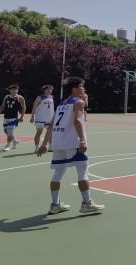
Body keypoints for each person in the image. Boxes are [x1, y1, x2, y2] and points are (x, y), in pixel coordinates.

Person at [36, 77, 104, 214]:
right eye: (81, 86)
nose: (83, 88)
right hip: (73, 142)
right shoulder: (78, 103)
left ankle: (55, 205)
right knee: (82, 170)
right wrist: (83, 140)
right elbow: (77, 121)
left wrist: (44, 144)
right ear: (74, 89)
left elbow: (51, 125)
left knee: (58, 173)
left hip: (58, 142)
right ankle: (86, 203)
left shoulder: (61, 104)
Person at [0, 85, 26, 151]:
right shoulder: (6, 97)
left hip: (14, 117)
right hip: (6, 116)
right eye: (12, 89)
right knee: (5, 131)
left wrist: (22, 117)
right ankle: (15, 141)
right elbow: (2, 106)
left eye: (16, 89)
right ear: (10, 90)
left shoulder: (19, 97)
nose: (14, 90)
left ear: (17, 90)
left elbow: (23, 107)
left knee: (10, 132)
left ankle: (8, 145)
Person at [30, 85, 55, 153]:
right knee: (39, 132)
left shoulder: (51, 97)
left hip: (49, 118)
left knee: (50, 133)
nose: (50, 91)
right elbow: (34, 106)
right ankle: (37, 147)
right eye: (48, 89)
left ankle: (50, 147)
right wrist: (32, 116)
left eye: (51, 89)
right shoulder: (40, 97)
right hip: (40, 118)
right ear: (44, 90)